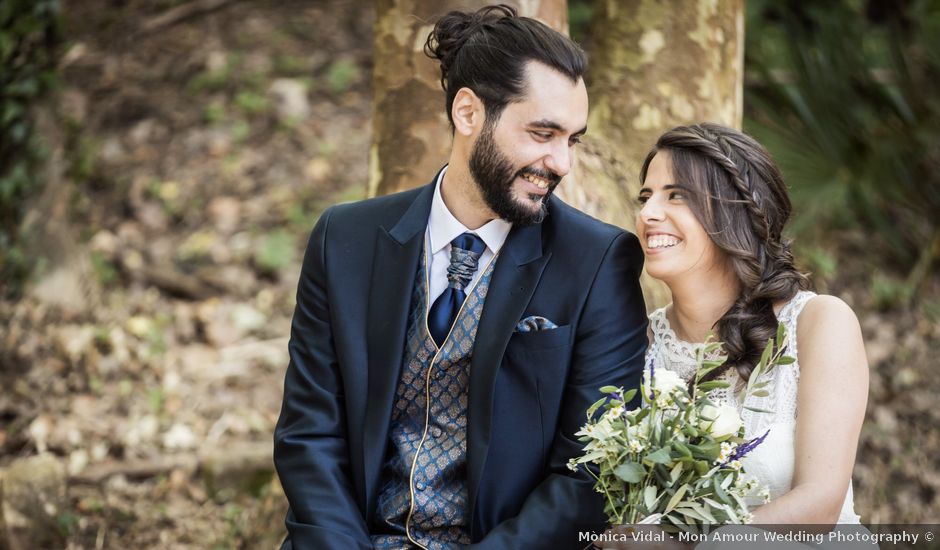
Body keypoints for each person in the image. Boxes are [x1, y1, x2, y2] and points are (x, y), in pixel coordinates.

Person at [273, 5, 648, 549]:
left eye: (573, 139)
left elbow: (588, 474)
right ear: (469, 112)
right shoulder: (343, 240)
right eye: (543, 132)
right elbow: (310, 434)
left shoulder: (597, 262)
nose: (562, 161)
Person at [635, 123, 869, 535]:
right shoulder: (640, 344)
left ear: (735, 211)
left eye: (676, 195)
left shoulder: (818, 324)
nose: (648, 213)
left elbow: (819, 507)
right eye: (645, 196)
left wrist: (689, 544)